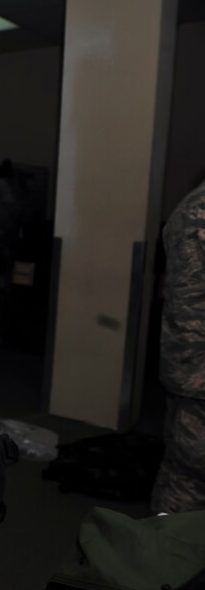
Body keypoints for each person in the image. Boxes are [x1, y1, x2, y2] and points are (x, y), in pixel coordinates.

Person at [150, 176, 205, 514]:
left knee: (181, 474)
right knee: (189, 483)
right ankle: (167, 560)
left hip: (191, 374)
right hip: (198, 379)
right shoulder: (198, 212)